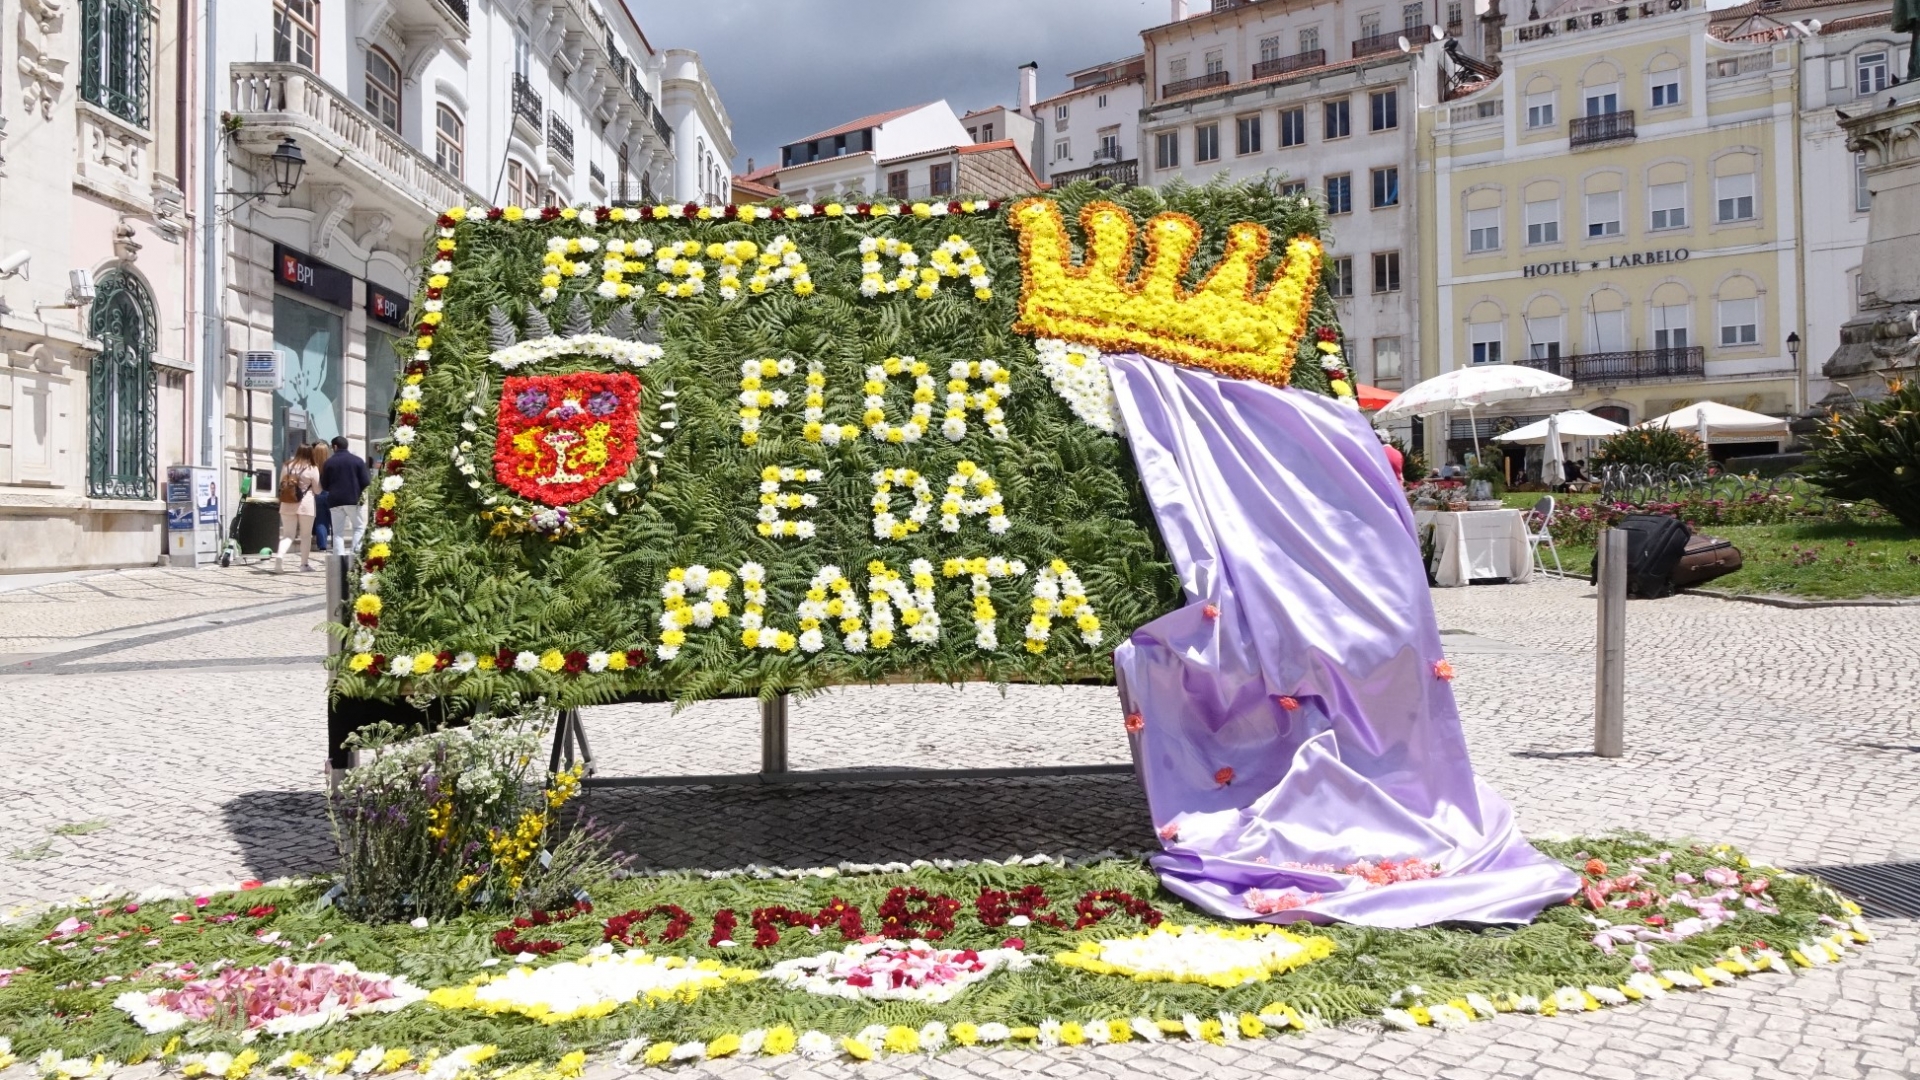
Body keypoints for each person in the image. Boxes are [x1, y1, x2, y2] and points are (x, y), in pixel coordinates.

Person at [321, 434, 371, 556]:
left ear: (335, 447)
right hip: (354, 499)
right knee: (358, 528)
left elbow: (324, 484)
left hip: (335, 501)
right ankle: (355, 555)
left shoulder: (329, 463)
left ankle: (339, 559)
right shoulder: (357, 461)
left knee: (337, 532)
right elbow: (366, 481)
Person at [275, 444, 321, 572]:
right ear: (310, 453)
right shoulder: (312, 468)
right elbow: (317, 490)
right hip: (306, 505)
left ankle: (280, 555)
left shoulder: (287, 465)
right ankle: (304, 565)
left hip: (287, 503)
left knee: (288, 535)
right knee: (305, 536)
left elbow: (281, 483)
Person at [309, 440, 332, 552]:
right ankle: (336, 543)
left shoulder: (312, 466)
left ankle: (322, 545)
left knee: (321, 521)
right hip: (331, 494)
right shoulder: (331, 464)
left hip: (318, 494)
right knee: (334, 520)